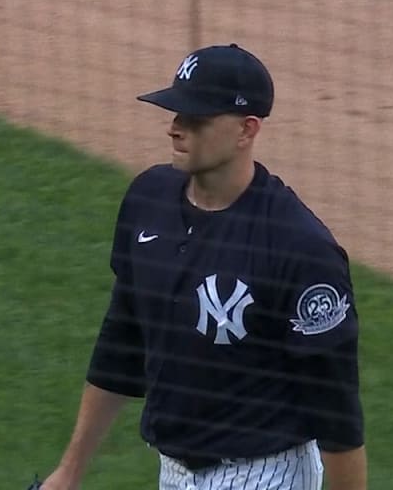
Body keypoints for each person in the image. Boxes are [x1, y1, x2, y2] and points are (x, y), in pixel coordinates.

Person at [39, 44, 367, 490]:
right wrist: (70, 470)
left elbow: (337, 413)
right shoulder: (148, 199)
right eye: (175, 113)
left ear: (246, 130)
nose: (176, 128)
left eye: (196, 118)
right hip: (174, 472)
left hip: (264, 474)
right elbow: (123, 340)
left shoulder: (298, 247)